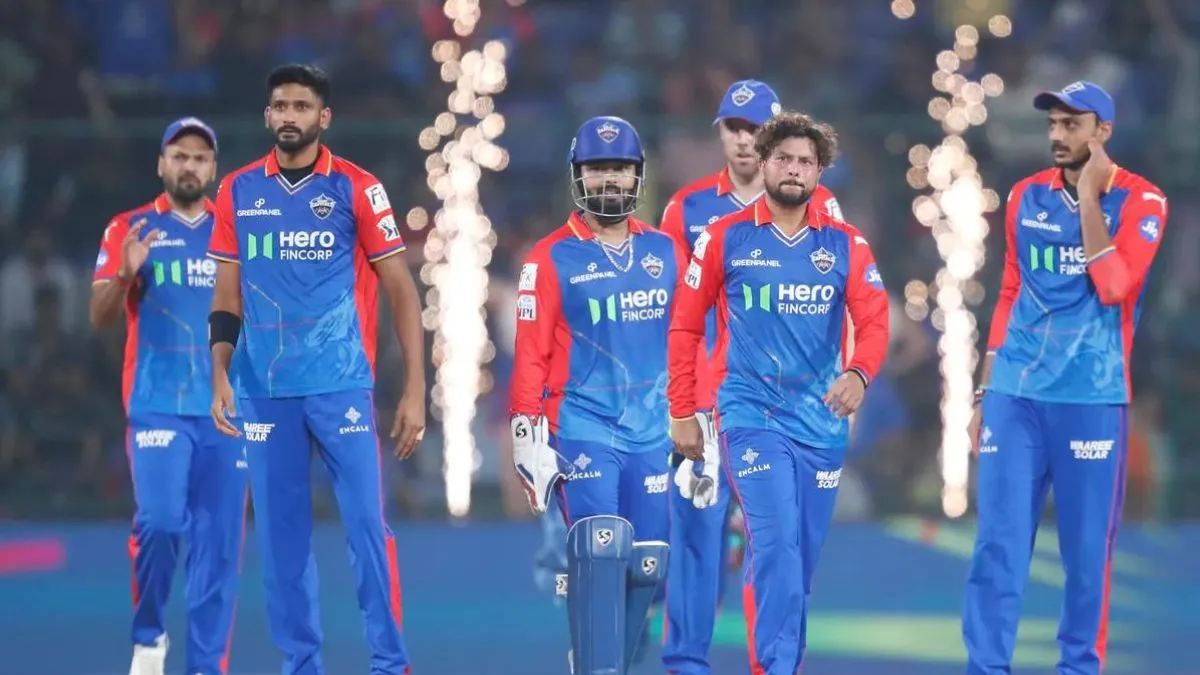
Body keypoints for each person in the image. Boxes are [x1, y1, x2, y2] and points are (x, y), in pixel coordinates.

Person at [206, 64, 426, 675]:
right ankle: (301, 666)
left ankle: (390, 664)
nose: (289, 116)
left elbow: (402, 290)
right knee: (282, 544)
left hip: (341, 385)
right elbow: (225, 297)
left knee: (367, 528)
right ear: (267, 116)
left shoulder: (358, 188)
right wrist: (219, 373)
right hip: (263, 391)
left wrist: (415, 390)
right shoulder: (236, 191)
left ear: (323, 118)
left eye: (301, 106)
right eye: (280, 106)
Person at [667, 111, 890, 675]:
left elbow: (875, 320)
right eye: (784, 159)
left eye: (805, 162)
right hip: (750, 415)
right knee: (776, 544)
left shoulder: (845, 244)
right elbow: (685, 326)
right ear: (765, 164)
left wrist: (859, 374)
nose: (794, 169)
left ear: (820, 173)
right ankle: (775, 666)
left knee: (799, 561)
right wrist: (682, 410)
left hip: (821, 422)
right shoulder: (724, 237)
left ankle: (783, 659)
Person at [963, 81, 1168, 675]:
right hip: (1016, 397)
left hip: (1091, 396)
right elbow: (1009, 292)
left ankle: (1078, 668)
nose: (1057, 135)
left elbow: (1114, 285)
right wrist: (984, 392)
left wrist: (1086, 199)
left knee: (1085, 556)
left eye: (1071, 124)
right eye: (1053, 124)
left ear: (1103, 131)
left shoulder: (1142, 201)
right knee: (997, 546)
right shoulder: (1025, 195)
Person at [508, 116, 687, 674]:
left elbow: (690, 340)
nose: (609, 180)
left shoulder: (667, 252)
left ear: (638, 176)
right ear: (577, 175)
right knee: (599, 550)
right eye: (597, 169)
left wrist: (699, 415)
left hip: (652, 432)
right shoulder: (549, 257)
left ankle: (597, 664)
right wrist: (525, 432)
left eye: (620, 169)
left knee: (648, 566)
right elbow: (530, 352)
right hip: (582, 426)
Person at [90, 118, 245, 675]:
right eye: (179, 156)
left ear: (213, 168)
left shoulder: (235, 235)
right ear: (161, 164)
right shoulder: (130, 228)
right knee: (160, 524)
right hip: (158, 407)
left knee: (218, 550)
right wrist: (123, 276)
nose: (189, 166)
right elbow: (99, 318)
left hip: (227, 415)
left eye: (200, 158)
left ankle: (206, 667)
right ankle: (149, 639)